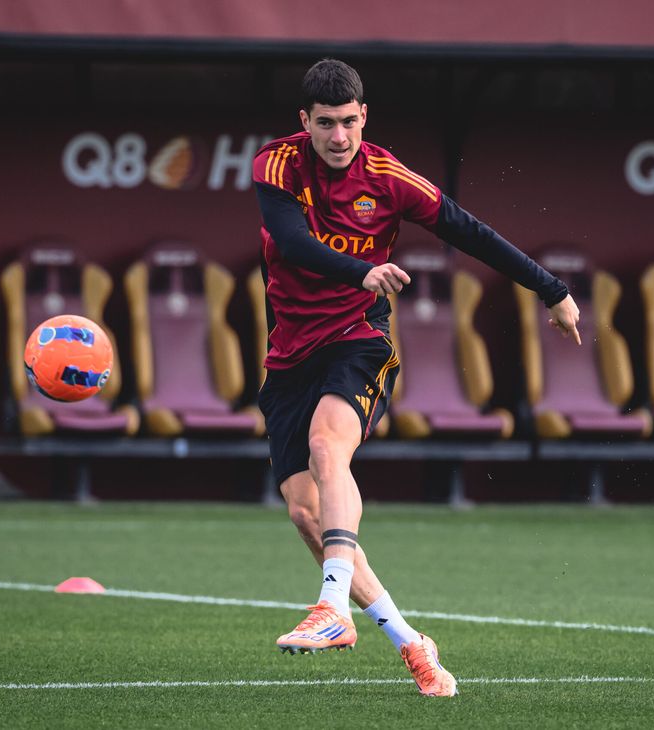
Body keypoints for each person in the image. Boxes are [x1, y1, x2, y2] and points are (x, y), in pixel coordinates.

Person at [252, 58, 581, 698]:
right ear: (305, 123)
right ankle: (412, 644)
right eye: (326, 125)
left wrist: (553, 290)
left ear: (364, 116)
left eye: (349, 122)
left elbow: (472, 233)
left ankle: (332, 610)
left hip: (358, 341)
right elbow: (290, 243)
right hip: (289, 356)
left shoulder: (388, 177)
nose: (339, 137)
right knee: (303, 512)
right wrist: (363, 270)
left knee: (327, 447)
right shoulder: (276, 165)